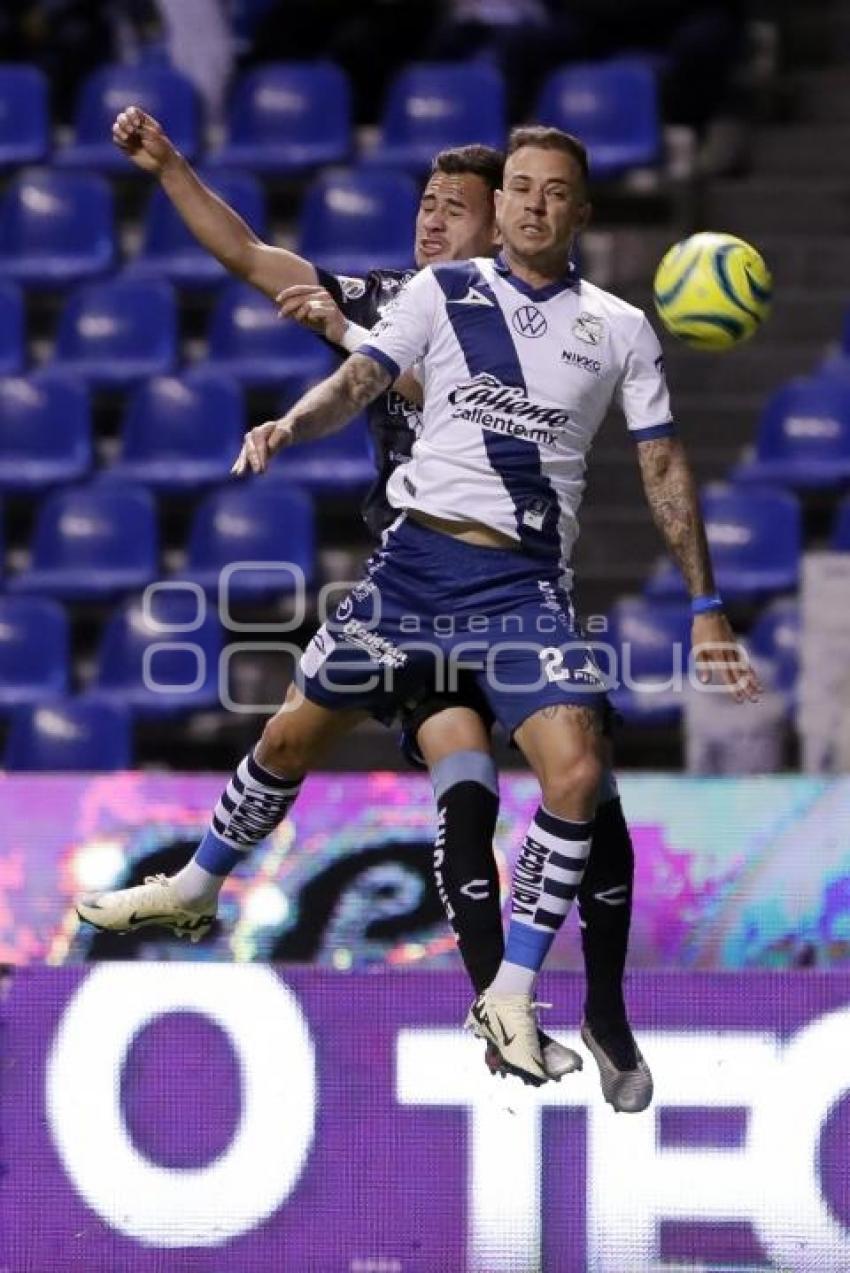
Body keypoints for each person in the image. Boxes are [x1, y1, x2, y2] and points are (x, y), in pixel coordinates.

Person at [78, 117, 758, 1089]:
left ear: (549, 212)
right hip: (412, 577)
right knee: (378, 765)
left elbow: (637, 453)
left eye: (460, 207)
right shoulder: (416, 296)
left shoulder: (601, 325)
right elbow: (338, 352)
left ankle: (581, 1008)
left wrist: (706, 600)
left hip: (519, 587)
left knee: (583, 787)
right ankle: (475, 993)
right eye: (432, 204)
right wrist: (299, 401)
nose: (433, 221)